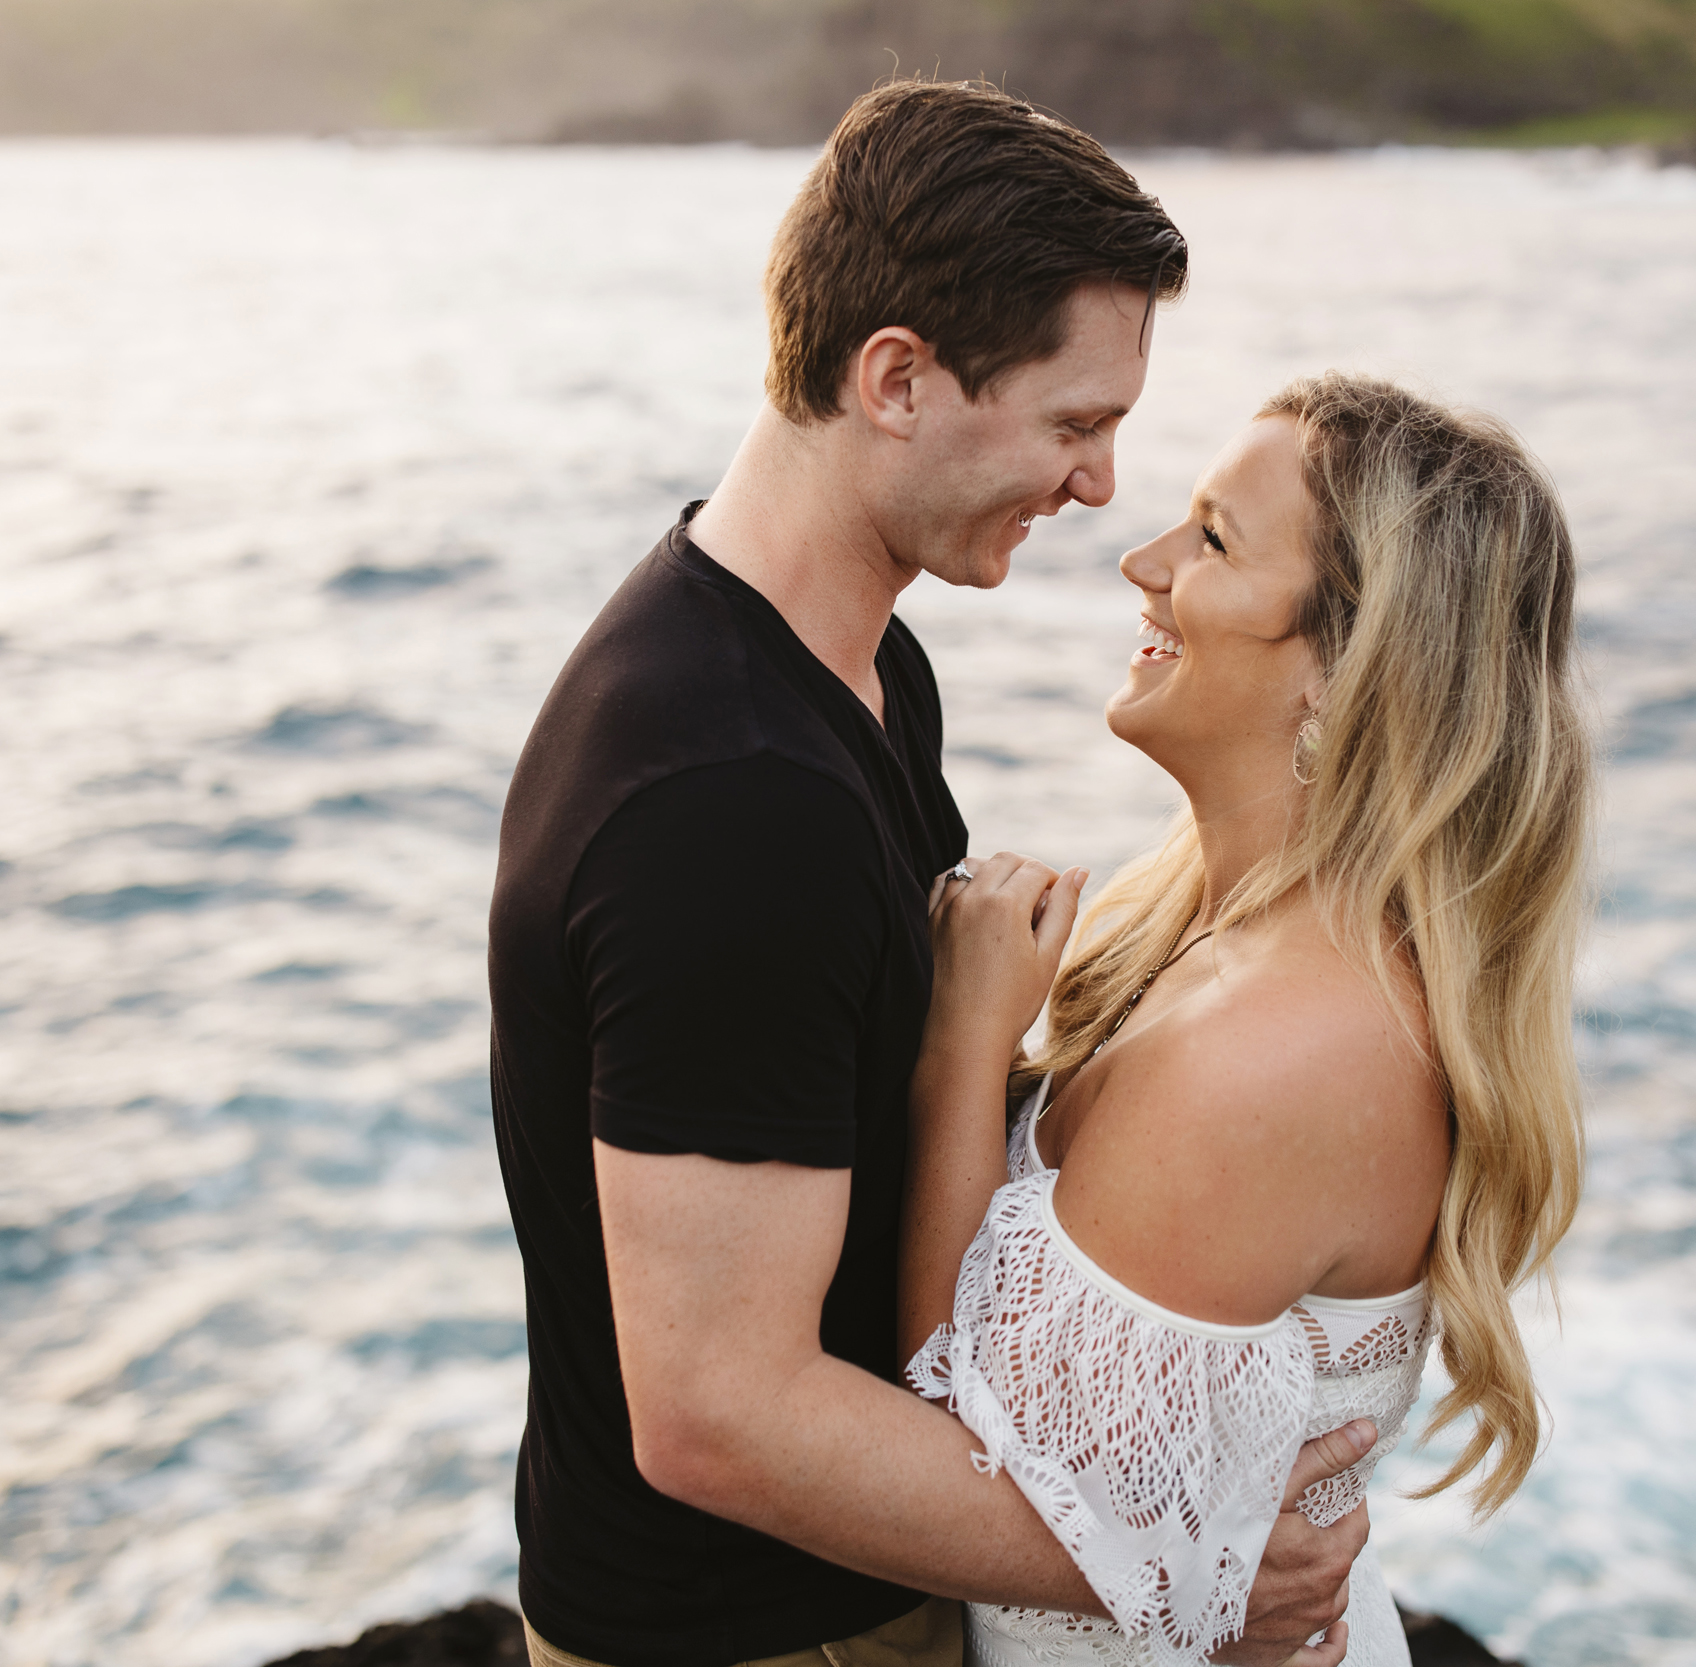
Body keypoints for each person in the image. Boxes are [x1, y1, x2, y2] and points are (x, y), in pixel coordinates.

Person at [488, 80, 1375, 1667]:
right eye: (1074, 424)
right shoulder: (728, 800)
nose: (1101, 486)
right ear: (896, 378)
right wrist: (1180, 1572)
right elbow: (718, 1416)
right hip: (743, 1640)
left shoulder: (863, 671)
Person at [901, 373, 1594, 1667]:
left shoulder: (1277, 1058)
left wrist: (961, 1054)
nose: (1141, 560)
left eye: (1212, 540)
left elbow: (947, 1464)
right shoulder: (1208, 940)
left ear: (1346, 666)